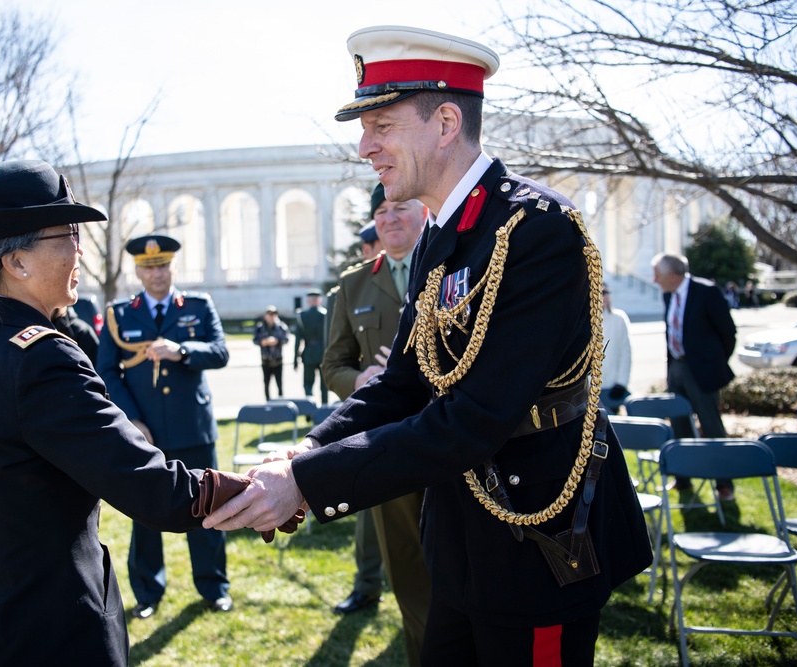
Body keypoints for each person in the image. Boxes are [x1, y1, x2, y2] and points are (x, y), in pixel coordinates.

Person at [204, 25, 652, 666]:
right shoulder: (443, 238)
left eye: (381, 125)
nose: (365, 148)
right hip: (461, 540)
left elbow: (474, 418)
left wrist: (304, 482)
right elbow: (404, 384)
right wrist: (307, 450)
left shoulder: (535, 229)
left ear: (445, 122)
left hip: (540, 543)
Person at [0, 160, 209, 665]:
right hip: (60, 631)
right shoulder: (40, 356)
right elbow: (153, 490)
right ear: (17, 262)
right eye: (69, 234)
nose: (81, 249)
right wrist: (261, 486)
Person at [322, 182, 431, 664]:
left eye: (400, 208)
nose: (389, 219)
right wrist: (362, 377)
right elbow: (332, 366)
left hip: (457, 438)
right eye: (382, 211)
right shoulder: (354, 284)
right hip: (388, 444)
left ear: (424, 211)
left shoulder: (451, 266)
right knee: (408, 569)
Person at [97, 233, 232, 618]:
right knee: (146, 513)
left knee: (209, 508)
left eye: (163, 265)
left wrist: (183, 350)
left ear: (174, 267)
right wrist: (131, 419)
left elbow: (220, 352)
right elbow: (106, 369)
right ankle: (148, 592)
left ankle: (213, 586)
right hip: (145, 431)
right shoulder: (120, 314)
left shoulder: (198, 305)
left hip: (193, 427)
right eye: (148, 267)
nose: (156, 273)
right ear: (138, 270)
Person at [652, 252, 738, 500]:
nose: (654, 280)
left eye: (657, 274)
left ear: (672, 275)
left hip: (702, 370)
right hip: (677, 368)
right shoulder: (668, 295)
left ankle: (724, 485)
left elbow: (728, 332)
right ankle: (684, 479)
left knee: (711, 426)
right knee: (679, 424)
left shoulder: (707, 291)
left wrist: (714, 362)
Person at [598, 284, 631, 414]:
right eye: (600, 292)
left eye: (606, 292)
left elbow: (625, 353)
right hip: (590, 389)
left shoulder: (619, 318)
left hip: (612, 386)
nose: (604, 296)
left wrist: (621, 383)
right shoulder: (583, 320)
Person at [294, 290, 328, 405]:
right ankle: (324, 409)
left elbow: (298, 340)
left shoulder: (301, 316)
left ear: (308, 301)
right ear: (319, 300)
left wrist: (295, 359)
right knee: (324, 385)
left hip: (308, 353)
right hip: (324, 354)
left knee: (308, 384)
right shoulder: (327, 315)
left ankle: (310, 410)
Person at [253, 305, 290, 401]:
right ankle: (268, 402)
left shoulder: (281, 327)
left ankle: (281, 402)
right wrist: (263, 342)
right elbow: (255, 340)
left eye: (274, 314)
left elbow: (286, 339)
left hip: (278, 360)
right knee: (266, 383)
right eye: (269, 314)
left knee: (279, 383)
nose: (271, 316)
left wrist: (277, 341)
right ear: (265, 316)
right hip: (266, 360)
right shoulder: (260, 328)